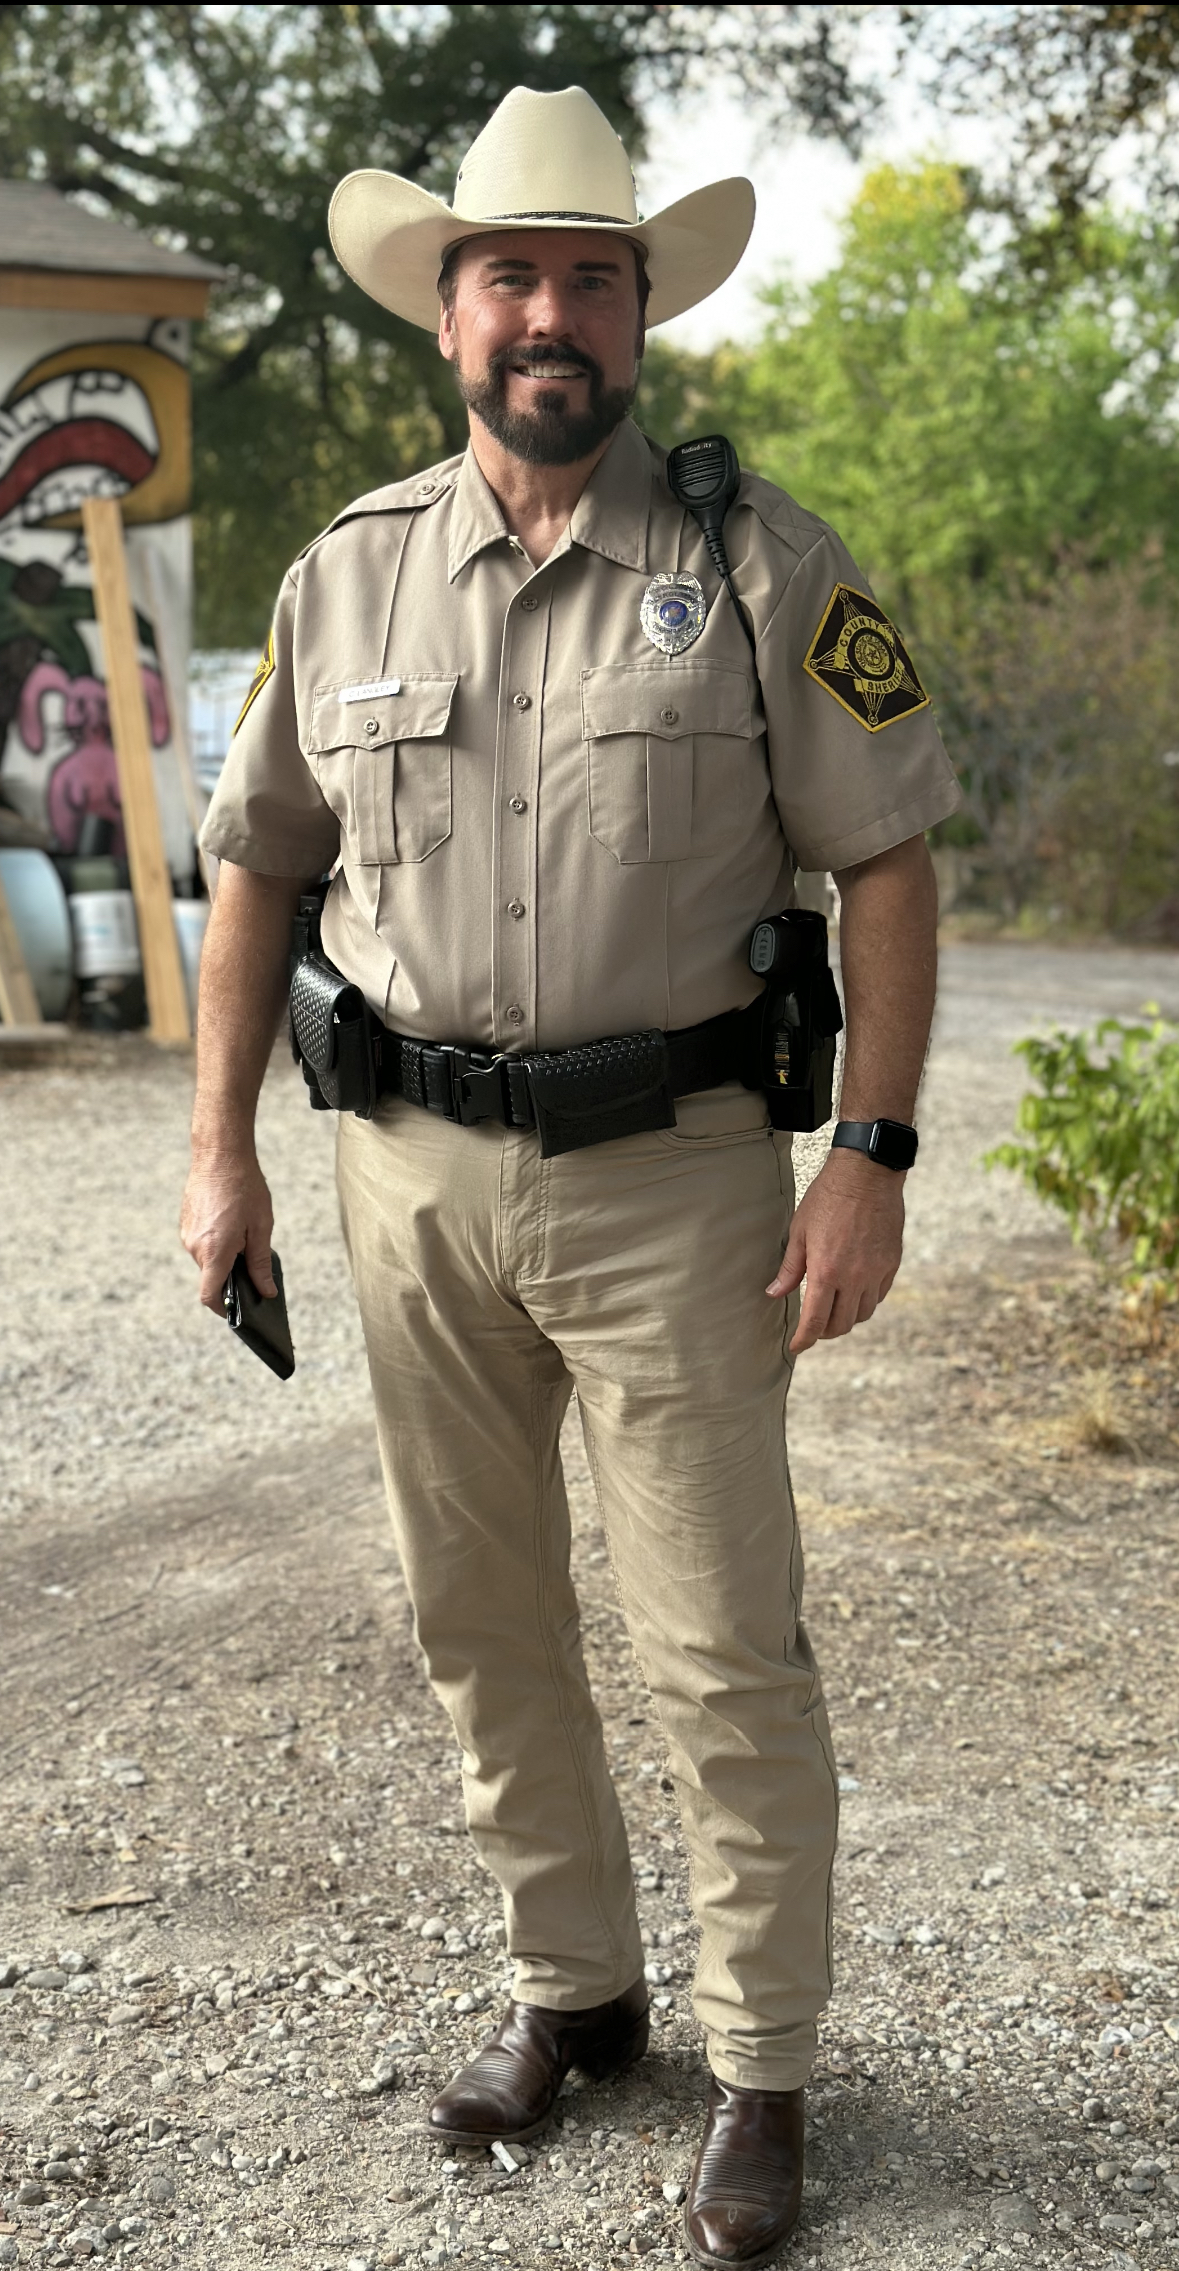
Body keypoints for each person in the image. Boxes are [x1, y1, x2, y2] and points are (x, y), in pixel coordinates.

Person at [182, 84, 961, 2269]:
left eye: (590, 280)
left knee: (720, 1641)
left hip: (683, 1181)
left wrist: (869, 1154)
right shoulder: (343, 578)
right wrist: (216, 1148)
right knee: (481, 1614)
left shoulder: (757, 567)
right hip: (410, 1177)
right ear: (447, 316)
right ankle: (577, 1992)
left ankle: (762, 2067)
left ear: (638, 318)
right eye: (509, 276)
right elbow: (258, 877)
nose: (551, 315)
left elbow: (887, 866)